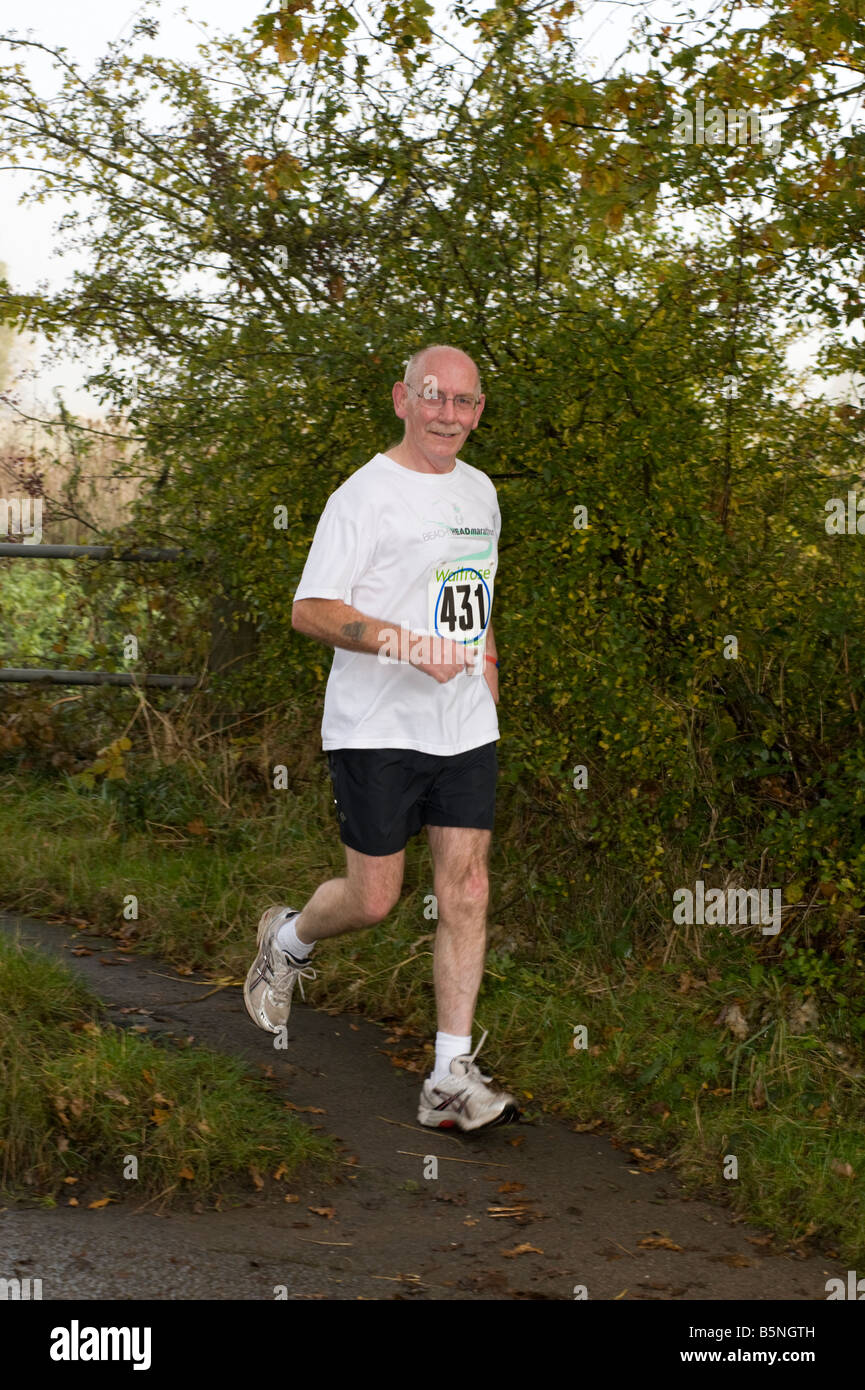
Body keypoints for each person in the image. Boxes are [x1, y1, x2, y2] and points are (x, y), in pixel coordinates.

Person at [243, 344, 518, 1131]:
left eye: (465, 403)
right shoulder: (362, 496)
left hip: (462, 721)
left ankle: (447, 1077)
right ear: (403, 398)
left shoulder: (481, 492)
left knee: (466, 886)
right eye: (435, 398)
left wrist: (485, 688)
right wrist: (403, 643)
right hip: (375, 724)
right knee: (374, 898)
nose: (449, 415)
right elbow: (311, 610)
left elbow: (477, 598)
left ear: (478, 411)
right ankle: (288, 939)